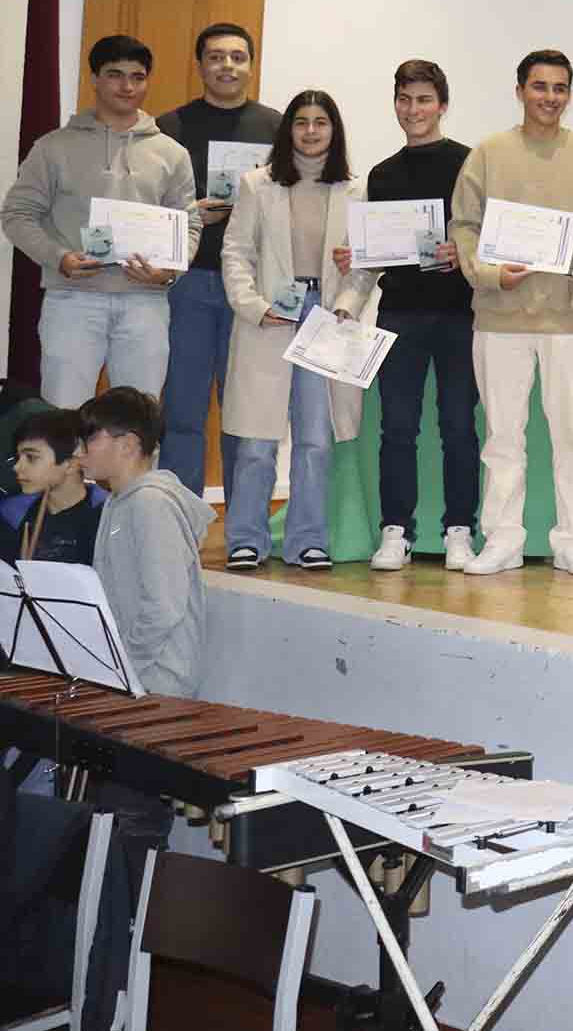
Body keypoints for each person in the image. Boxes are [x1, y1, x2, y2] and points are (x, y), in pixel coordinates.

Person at [448, 50, 573, 577]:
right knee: (503, 438)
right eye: (539, 86)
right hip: (501, 316)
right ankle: (502, 539)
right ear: (520, 90)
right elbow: (464, 226)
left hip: (570, 317)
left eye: (559, 88)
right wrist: (491, 274)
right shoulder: (488, 154)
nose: (549, 97)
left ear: (569, 94)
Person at [217, 89, 377, 570]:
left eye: (320, 122)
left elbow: (364, 263)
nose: (310, 131)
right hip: (270, 316)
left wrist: (347, 305)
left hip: (327, 317)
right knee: (256, 439)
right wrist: (254, 306)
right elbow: (236, 253)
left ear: (334, 130)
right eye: (301, 122)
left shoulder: (355, 190)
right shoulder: (257, 184)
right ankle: (246, 538)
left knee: (316, 439)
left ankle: (308, 539)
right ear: (288, 129)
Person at [3, 36, 196, 405]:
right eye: (115, 75)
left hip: (145, 302)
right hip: (72, 299)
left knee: (139, 417)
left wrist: (169, 271)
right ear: (94, 78)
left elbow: (190, 224)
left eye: (137, 77)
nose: (127, 86)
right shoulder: (54, 147)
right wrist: (59, 257)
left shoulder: (172, 154)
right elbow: (17, 214)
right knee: (64, 414)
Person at [153, 23, 280, 495]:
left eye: (237, 57)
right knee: (183, 408)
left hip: (251, 286)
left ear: (251, 65)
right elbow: (145, 208)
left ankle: (242, 522)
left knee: (244, 409)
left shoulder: (277, 127)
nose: (227, 66)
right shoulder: (169, 127)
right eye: (216, 57)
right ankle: (182, 513)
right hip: (189, 281)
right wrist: (188, 214)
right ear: (200, 65)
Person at [364, 60, 479, 571]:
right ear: (395, 104)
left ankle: (460, 530)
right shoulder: (382, 174)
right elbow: (377, 250)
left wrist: (463, 251)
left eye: (424, 100)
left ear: (443, 105)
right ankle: (396, 531)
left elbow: (486, 234)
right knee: (397, 428)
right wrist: (357, 253)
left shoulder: (469, 163)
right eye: (405, 99)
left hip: (459, 314)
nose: (414, 110)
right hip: (399, 314)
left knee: (458, 426)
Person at [76, 388, 211, 697]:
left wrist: (121, 665)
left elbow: (163, 608)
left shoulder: (151, 504)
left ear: (127, 445)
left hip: (156, 682)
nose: (81, 452)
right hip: (131, 676)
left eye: (90, 439)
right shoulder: (116, 501)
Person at [6, 409, 104, 566]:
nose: (17, 467)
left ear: (71, 464)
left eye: (31, 457)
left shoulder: (105, 518)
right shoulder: (13, 515)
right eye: (18, 457)